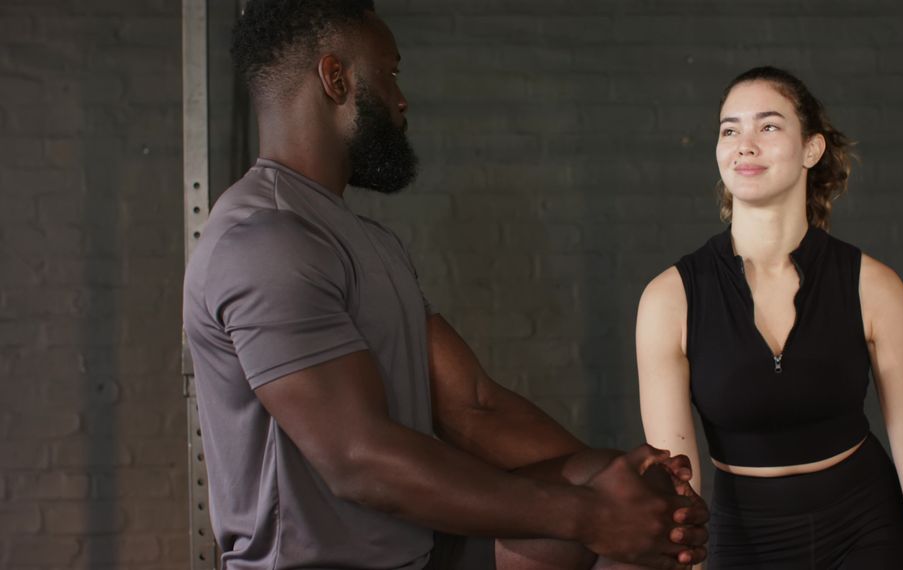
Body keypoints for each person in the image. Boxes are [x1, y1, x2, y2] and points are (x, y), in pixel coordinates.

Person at [181, 1, 709, 569]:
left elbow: (474, 407)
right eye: (390, 73)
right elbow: (358, 460)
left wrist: (619, 487)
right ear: (336, 79)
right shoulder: (265, 240)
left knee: (639, 501)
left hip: (419, 552)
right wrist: (590, 514)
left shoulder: (368, 241)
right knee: (598, 513)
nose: (402, 99)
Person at [635, 66, 903, 569]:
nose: (745, 144)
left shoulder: (874, 287)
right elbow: (679, 486)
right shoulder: (669, 299)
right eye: (730, 130)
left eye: (768, 127)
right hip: (744, 539)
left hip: (867, 529)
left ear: (811, 149)